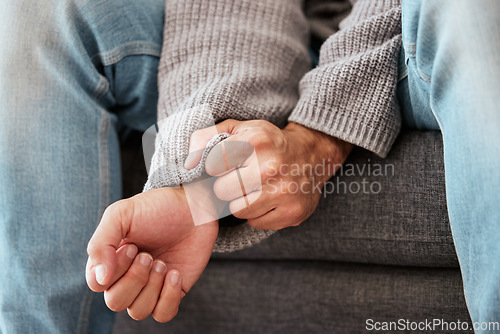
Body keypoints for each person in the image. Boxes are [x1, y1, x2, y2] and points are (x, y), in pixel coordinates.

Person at [1, 1, 499, 334]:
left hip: (409, 23)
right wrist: (201, 180)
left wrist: (317, 139)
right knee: (41, 13)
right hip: (282, 28)